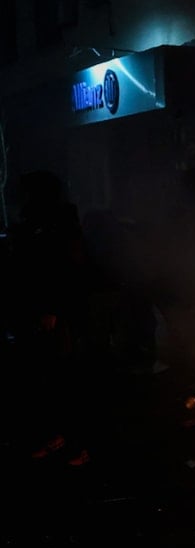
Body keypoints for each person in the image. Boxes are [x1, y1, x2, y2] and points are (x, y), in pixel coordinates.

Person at [2, 171, 92, 466]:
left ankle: (75, 443)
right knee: (44, 378)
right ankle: (56, 438)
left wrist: (53, 309)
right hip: (36, 311)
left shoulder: (58, 223)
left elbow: (63, 270)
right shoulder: (35, 222)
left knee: (61, 379)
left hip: (54, 315)